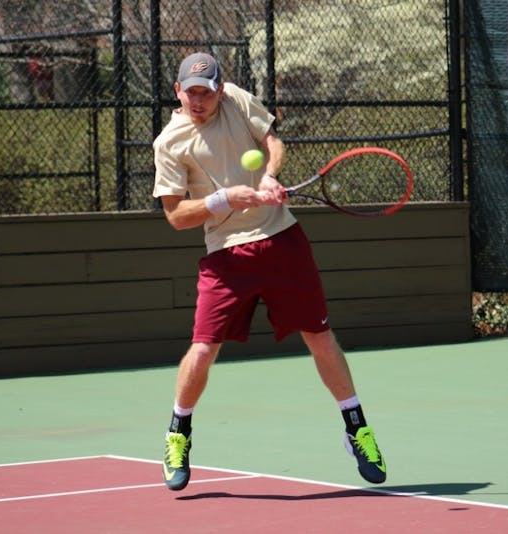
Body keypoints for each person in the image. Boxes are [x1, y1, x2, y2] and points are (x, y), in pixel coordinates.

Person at [152, 52, 386, 491]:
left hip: (282, 239)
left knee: (320, 337)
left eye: (206, 93)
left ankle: (357, 428)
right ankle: (178, 433)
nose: (198, 101)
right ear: (177, 91)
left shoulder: (238, 101)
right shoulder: (169, 143)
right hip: (226, 256)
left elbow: (273, 144)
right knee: (202, 349)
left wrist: (269, 177)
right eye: (191, 93)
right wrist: (224, 199)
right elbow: (175, 215)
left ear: (221, 90)